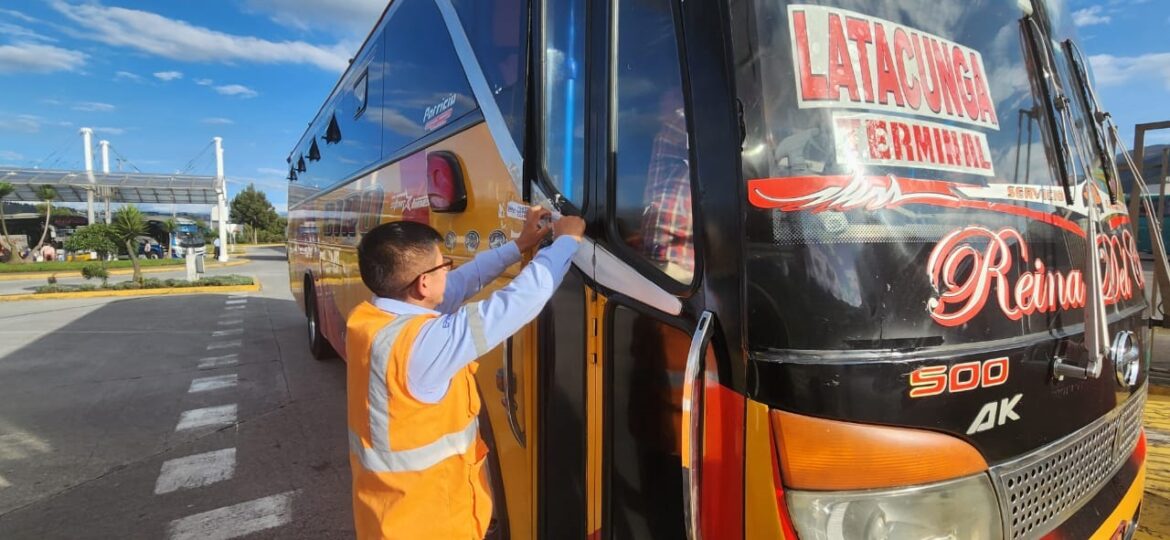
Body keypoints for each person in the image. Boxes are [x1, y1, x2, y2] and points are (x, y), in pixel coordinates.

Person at [347, 206, 585, 539]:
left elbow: (462, 282)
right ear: (423, 284)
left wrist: (518, 247)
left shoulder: (375, 319)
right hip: (430, 524)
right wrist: (567, 241)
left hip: (389, 516)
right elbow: (517, 303)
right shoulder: (424, 347)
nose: (451, 268)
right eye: (444, 263)